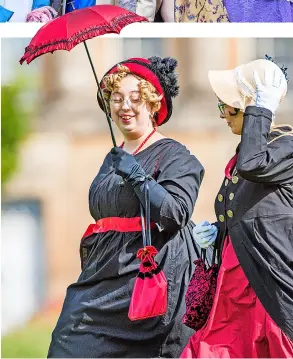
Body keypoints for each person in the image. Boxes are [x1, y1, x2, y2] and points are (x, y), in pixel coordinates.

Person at [47, 56, 205, 358]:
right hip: (104, 277)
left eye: (135, 98)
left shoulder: (176, 155)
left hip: (150, 279)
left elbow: (175, 214)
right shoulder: (113, 156)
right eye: (116, 99)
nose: (124, 106)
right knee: (67, 343)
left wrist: (135, 174)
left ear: (152, 103)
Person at [181, 58, 293, 358]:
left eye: (226, 106)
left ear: (250, 106)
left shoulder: (285, 148)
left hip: (272, 291)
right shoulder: (248, 153)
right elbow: (258, 214)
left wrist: (262, 109)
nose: (222, 115)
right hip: (235, 289)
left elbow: (254, 165)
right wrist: (218, 232)